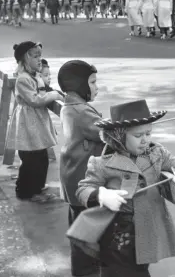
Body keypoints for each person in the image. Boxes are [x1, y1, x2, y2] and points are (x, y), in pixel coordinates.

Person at [75, 99, 175, 277]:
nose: (145, 140)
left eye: (148, 134)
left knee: (139, 268)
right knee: (120, 272)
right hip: (116, 233)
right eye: (138, 136)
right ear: (119, 135)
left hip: (146, 231)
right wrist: (103, 195)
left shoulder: (156, 153)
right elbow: (83, 189)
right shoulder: (102, 163)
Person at [58, 60, 105, 277]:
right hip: (82, 180)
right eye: (93, 82)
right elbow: (106, 133)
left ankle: (84, 270)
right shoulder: (81, 110)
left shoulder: (70, 105)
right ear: (80, 85)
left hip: (72, 178)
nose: (97, 87)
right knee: (86, 235)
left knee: (79, 228)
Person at [5, 41, 63, 202]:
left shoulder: (34, 76)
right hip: (28, 123)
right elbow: (34, 99)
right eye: (35, 56)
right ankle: (25, 191)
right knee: (31, 159)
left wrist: (58, 94)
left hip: (36, 121)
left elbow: (46, 90)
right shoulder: (23, 79)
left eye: (40, 56)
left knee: (41, 157)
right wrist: (53, 96)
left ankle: (37, 187)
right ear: (25, 59)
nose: (39, 60)